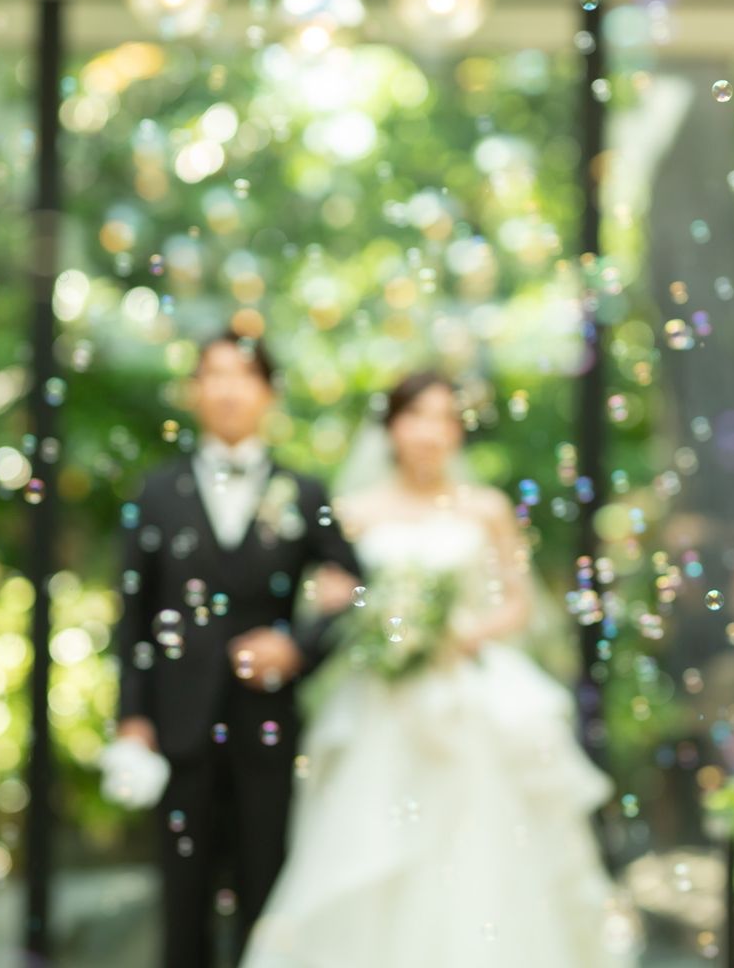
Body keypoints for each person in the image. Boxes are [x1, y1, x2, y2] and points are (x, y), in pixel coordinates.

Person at [241, 372, 631, 968]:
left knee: (481, 845)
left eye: (444, 419)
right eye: (416, 417)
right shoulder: (354, 513)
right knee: (368, 843)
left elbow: (518, 603)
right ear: (391, 427)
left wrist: (462, 632)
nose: (429, 433)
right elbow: (330, 602)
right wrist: (369, 620)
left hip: (465, 697)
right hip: (381, 703)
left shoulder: (486, 508)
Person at [114, 329, 363, 968]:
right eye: (215, 375)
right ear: (194, 390)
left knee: (266, 893)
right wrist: (133, 717)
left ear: (268, 394)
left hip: (266, 727)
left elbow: (354, 590)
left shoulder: (304, 492)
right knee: (182, 904)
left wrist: (297, 647)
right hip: (178, 725)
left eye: (244, 376)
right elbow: (132, 614)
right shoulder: (155, 494)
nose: (228, 390)